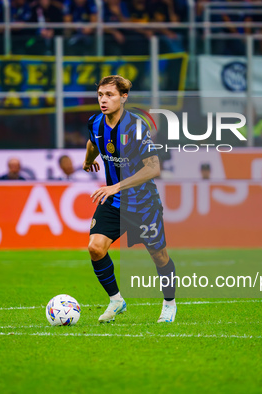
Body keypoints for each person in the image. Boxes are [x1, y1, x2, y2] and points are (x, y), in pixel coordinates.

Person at [83, 75, 177, 324]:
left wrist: (116, 186)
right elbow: (94, 142)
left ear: (124, 97)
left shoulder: (135, 127)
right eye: (101, 95)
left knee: (159, 256)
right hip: (113, 203)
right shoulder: (95, 122)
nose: (103, 100)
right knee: (95, 248)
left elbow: (153, 168)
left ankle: (169, 303)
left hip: (142, 203)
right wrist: (87, 160)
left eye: (110, 95)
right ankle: (116, 300)